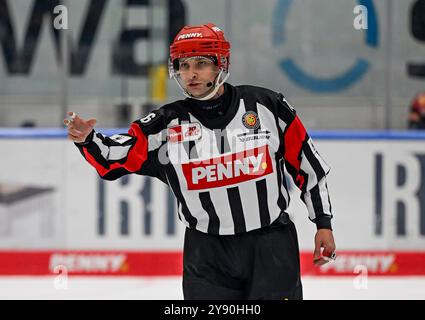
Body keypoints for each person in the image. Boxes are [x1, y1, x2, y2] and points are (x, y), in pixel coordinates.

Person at [64, 23, 336, 300]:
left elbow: (308, 166)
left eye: (202, 63)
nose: (191, 73)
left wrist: (323, 223)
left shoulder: (266, 106)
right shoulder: (166, 126)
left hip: (271, 246)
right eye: (184, 65)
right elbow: (116, 157)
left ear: (221, 65)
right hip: (207, 254)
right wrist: (88, 139)